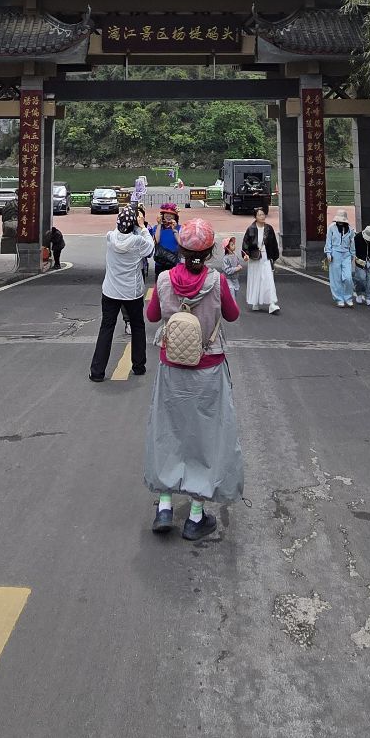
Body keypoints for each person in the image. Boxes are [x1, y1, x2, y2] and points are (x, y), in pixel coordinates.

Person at [144, 218, 243, 540]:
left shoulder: (163, 279)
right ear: (210, 251)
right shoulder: (217, 281)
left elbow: (152, 316)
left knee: (168, 432)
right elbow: (232, 315)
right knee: (205, 437)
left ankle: (164, 506)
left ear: (181, 249)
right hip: (208, 366)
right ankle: (196, 516)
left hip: (172, 365)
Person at [89, 206, 154, 381]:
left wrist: (130, 220)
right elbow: (150, 248)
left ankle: (97, 371)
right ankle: (138, 366)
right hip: (132, 293)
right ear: (133, 225)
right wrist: (142, 227)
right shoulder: (138, 241)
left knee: (106, 328)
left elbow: (120, 229)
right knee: (138, 327)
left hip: (110, 291)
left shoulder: (110, 237)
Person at [242, 202, 279, 313]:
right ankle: (255, 302)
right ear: (255, 217)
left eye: (263, 214)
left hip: (266, 258)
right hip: (254, 258)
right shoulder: (251, 229)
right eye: (259, 215)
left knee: (269, 279)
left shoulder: (269, 229)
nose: (262, 216)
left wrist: (274, 258)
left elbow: (274, 244)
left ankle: (272, 304)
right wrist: (245, 254)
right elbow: (245, 244)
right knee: (256, 279)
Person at [324, 214, 356, 306]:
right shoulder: (331, 228)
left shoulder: (350, 229)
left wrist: (352, 254)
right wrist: (328, 253)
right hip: (335, 253)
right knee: (336, 278)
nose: (340, 222)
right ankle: (339, 298)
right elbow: (328, 240)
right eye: (339, 220)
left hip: (346, 254)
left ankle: (348, 297)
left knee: (348, 277)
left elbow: (352, 243)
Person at [151, 203, 181, 278]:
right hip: (160, 262)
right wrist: (159, 224)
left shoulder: (180, 228)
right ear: (162, 215)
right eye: (166, 213)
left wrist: (174, 229)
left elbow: (181, 243)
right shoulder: (156, 227)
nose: (168, 216)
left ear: (175, 216)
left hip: (174, 261)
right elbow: (156, 241)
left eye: (171, 214)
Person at [220, 234, 242, 303]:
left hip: (235, 278)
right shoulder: (225, 258)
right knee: (231, 291)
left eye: (234, 244)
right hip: (228, 279)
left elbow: (238, 263)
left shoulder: (235, 255)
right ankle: (233, 306)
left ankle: (231, 304)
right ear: (227, 248)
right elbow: (227, 270)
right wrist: (236, 269)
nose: (234, 246)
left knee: (236, 291)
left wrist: (239, 266)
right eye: (232, 245)